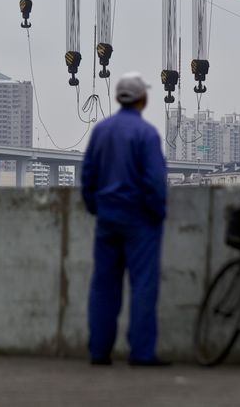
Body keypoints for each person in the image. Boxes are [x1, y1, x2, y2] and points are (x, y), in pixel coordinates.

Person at [81, 71, 169, 367]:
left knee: (103, 285)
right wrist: (157, 214)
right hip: (140, 221)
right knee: (143, 286)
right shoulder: (147, 135)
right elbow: (155, 182)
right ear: (143, 99)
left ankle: (99, 352)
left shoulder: (101, 131)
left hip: (107, 217)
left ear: (119, 97)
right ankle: (142, 354)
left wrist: (96, 207)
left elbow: (88, 176)